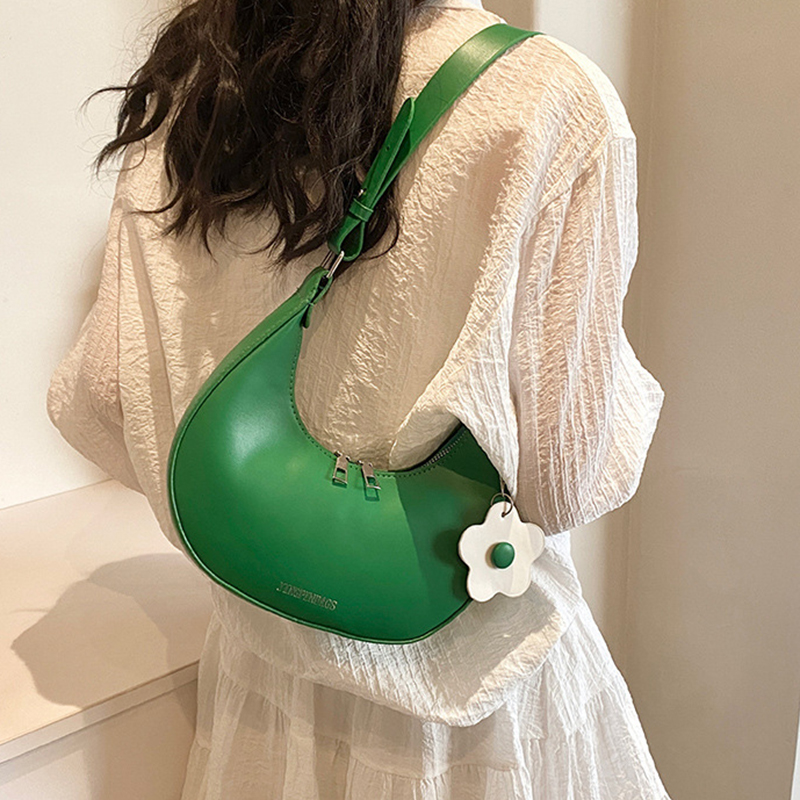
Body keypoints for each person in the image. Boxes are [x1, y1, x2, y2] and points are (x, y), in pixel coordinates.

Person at [46, 0, 672, 797]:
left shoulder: (198, 78)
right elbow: (564, 481)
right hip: (477, 707)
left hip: (265, 688)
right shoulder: (549, 97)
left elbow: (104, 391)